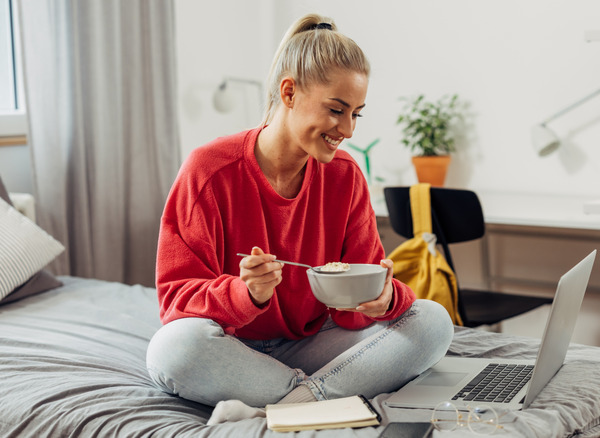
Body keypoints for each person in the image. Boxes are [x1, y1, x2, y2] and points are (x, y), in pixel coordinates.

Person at [145, 13, 454, 416]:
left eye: (356, 113)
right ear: (289, 92)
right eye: (336, 110)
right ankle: (322, 399)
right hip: (230, 348)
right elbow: (175, 300)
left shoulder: (345, 176)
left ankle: (294, 406)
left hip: (313, 344)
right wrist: (246, 293)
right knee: (172, 349)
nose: (347, 129)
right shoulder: (208, 170)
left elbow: (353, 306)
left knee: (432, 321)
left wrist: (385, 298)